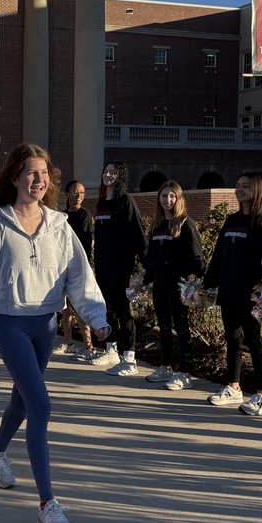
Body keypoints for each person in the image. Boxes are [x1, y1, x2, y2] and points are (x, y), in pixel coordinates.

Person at [0, 143, 109, 523]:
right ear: (14, 177)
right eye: (31, 172)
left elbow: (79, 277)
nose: (38, 179)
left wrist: (96, 318)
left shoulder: (60, 225)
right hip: (11, 324)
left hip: (45, 324)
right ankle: (49, 505)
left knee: (22, 399)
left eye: (44, 173)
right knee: (41, 404)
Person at [202, 172, 262, 415]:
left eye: (245, 186)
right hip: (229, 290)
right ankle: (233, 387)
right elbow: (218, 256)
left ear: (258, 189)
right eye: (237, 185)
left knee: (254, 341)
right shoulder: (232, 220)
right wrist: (209, 282)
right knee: (233, 340)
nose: (239, 189)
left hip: (252, 295)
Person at [144, 180, 204, 391]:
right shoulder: (157, 225)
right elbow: (152, 256)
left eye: (172, 196)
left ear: (178, 199)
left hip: (178, 285)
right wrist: (145, 279)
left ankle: (185, 372)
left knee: (181, 326)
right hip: (160, 283)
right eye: (164, 196)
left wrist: (201, 281)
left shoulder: (186, 224)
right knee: (164, 325)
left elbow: (197, 256)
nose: (168, 200)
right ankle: (165, 366)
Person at [91, 162, 147, 377]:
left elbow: (137, 233)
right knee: (107, 309)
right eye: (105, 171)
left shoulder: (126, 201)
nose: (107, 175)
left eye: (113, 172)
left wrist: (145, 263)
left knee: (123, 310)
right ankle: (111, 351)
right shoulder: (103, 202)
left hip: (121, 265)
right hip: (103, 265)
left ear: (121, 176)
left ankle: (130, 358)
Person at [53, 179, 96, 359]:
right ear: (67, 194)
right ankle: (68, 342)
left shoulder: (85, 216)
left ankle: (89, 345)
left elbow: (85, 244)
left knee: (79, 305)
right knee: (66, 306)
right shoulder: (61, 217)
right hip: (62, 266)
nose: (79, 195)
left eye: (82, 192)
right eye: (75, 192)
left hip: (78, 266)